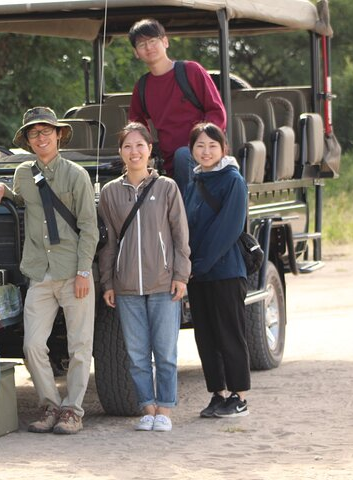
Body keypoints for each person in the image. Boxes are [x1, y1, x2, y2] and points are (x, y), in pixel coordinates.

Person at [0, 107, 98, 434]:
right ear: (28, 140)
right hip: (40, 272)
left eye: (46, 131)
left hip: (72, 271)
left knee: (80, 346)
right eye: (34, 133)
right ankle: (50, 405)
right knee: (32, 345)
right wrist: (1, 188)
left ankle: (73, 411)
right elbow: (24, 199)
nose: (41, 137)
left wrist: (83, 272)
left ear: (59, 134)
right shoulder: (23, 172)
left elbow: (89, 227)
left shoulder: (76, 174)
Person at [98, 122, 191, 432]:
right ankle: (147, 408)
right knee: (137, 355)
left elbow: (180, 235)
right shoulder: (111, 192)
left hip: (164, 284)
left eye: (140, 145)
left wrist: (181, 275)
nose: (134, 152)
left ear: (150, 150)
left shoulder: (167, 187)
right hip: (126, 288)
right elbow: (109, 241)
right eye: (128, 146)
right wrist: (108, 282)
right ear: (121, 152)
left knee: (165, 352)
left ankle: (165, 408)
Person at [183, 122, 251, 418]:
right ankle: (217, 394)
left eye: (212, 145)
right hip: (199, 274)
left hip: (225, 271)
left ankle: (239, 396)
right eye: (200, 145)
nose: (206, 151)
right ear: (192, 150)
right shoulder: (193, 182)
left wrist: (199, 263)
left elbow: (229, 228)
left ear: (224, 149)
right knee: (206, 337)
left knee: (230, 334)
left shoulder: (233, 180)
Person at [127, 18, 227, 193]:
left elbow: (216, 111)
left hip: (202, 156)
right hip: (167, 160)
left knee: (183, 155)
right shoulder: (142, 87)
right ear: (136, 52)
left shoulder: (191, 71)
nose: (149, 47)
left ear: (165, 42)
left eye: (153, 41)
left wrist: (202, 144)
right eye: (142, 44)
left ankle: (185, 216)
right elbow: (136, 127)